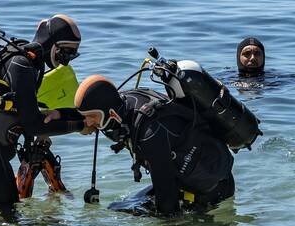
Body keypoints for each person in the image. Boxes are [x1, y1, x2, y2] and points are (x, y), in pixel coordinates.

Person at [0, 15, 86, 214]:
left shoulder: (29, 64)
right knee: (10, 219)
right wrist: (80, 125)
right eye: (66, 52)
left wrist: (70, 117)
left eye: (73, 55)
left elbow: (24, 116)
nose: (66, 62)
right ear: (52, 44)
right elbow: (33, 126)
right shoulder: (22, 65)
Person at [75, 75, 235, 218]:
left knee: (158, 221)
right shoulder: (126, 102)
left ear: (110, 112)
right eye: (85, 117)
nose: (88, 122)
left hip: (210, 189)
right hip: (189, 175)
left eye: (92, 116)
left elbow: (167, 201)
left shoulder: (149, 133)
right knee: (117, 208)